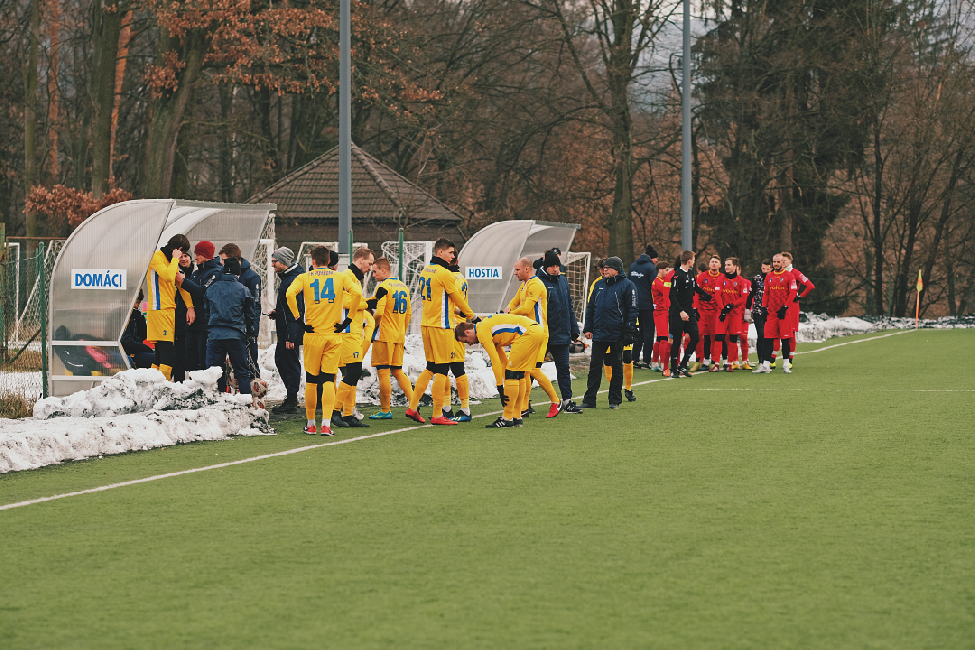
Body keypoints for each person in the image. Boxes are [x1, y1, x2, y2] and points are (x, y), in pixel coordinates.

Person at [286, 245, 358, 436]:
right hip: (334, 335)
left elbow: (289, 294)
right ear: (329, 262)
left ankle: (311, 424)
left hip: (313, 334)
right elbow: (357, 294)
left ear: (312, 261)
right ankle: (326, 424)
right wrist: (348, 320)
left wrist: (298, 319)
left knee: (311, 381)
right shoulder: (340, 276)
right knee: (328, 379)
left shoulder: (304, 277)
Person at [405, 238, 477, 426]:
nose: (453, 256)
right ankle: (438, 414)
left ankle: (413, 407)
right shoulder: (445, 274)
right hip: (442, 326)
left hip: (426, 324)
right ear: (440, 253)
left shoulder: (425, 270)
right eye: (451, 252)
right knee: (443, 370)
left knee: (431, 367)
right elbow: (458, 300)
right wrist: (473, 317)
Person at [454, 315, 545, 428]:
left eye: (466, 341)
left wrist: (500, 388)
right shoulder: (487, 328)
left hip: (527, 333)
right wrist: (503, 384)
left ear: (467, 332)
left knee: (512, 374)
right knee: (519, 373)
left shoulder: (482, 332)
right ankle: (517, 417)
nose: (469, 344)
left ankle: (506, 418)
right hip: (537, 331)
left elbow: (495, 362)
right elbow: (502, 360)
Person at [505, 256, 562, 418]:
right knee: (525, 372)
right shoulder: (525, 285)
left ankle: (556, 401)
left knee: (533, 369)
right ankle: (524, 407)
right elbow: (515, 302)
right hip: (528, 334)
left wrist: (509, 315)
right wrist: (509, 308)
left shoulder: (536, 284)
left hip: (539, 334)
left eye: (517, 270)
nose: (515, 273)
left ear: (527, 269)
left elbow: (526, 308)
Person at [581, 256, 637, 409]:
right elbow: (591, 308)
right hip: (599, 333)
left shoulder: (628, 285)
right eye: (604, 267)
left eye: (608, 267)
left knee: (617, 367)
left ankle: (614, 400)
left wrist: (628, 330)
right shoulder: (598, 284)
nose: (604, 270)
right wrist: (588, 328)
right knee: (594, 366)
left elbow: (632, 309)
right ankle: (589, 400)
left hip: (617, 334)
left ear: (617, 269)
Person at [534, 249, 583, 414]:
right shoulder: (537, 282)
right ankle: (523, 404)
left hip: (561, 334)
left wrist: (574, 330)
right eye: (552, 266)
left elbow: (568, 306)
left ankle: (568, 401)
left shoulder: (563, 281)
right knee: (533, 369)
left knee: (564, 368)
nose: (556, 269)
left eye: (557, 266)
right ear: (546, 266)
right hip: (542, 335)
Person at [367, 257, 415, 420]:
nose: (373, 275)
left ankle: (385, 410)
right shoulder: (403, 286)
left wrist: (372, 327)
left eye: (375, 271)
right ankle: (413, 404)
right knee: (398, 371)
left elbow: (379, 312)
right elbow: (408, 314)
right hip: (398, 336)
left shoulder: (384, 286)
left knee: (383, 372)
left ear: (384, 270)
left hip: (384, 335)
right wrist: (401, 330)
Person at [332, 247, 375, 429]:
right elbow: (346, 302)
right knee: (353, 373)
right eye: (370, 263)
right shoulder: (347, 276)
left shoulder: (354, 277)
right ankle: (335, 412)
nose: (371, 267)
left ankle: (348, 414)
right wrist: (369, 302)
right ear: (360, 260)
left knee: (351, 375)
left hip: (354, 332)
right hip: (347, 333)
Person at [204, 257, 257, 404]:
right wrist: (249, 333)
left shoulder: (211, 289)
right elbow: (249, 315)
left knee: (214, 373)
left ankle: (215, 403)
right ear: (237, 273)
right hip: (235, 335)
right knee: (242, 372)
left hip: (215, 336)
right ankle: (246, 403)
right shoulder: (243, 289)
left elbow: (206, 312)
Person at [146, 234, 195, 380]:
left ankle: (153, 386)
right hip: (159, 309)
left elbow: (181, 285)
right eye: (182, 253)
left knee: (159, 355)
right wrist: (175, 258)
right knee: (169, 355)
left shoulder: (169, 261)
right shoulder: (157, 257)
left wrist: (190, 307)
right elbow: (168, 276)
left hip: (168, 311)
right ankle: (163, 388)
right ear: (178, 250)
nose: (182, 258)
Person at [267, 247, 304, 414]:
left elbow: (296, 311)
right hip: (287, 329)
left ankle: (292, 399)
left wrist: (291, 336)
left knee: (288, 362)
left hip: (290, 331)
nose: (272, 264)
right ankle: (291, 397)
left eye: (275, 261)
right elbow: (288, 308)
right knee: (282, 360)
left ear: (284, 262)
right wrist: (278, 312)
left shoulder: (293, 280)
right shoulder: (289, 277)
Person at [219, 243, 262, 375]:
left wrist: (252, 330)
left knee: (250, 361)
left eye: (224, 261)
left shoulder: (251, 277)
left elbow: (255, 305)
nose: (221, 263)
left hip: (244, 328)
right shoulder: (222, 275)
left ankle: (254, 391)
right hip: (227, 327)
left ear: (235, 260)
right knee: (226, 364)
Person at [669, 250, 713, 377]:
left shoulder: (690, 272)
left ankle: (682, 365)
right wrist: (681, 311)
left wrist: (706, 295)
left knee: (695, 338)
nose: (694, 261)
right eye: (693, 259)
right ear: (689, 261)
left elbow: (694, 287)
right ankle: (673, 370)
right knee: (677, 340)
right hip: (678, 312)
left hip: (689, 310)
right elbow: (672, 296)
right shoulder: (678, 275)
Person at [441, 260, 473, 421]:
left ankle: (462, 409)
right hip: (457, 327)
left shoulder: (448, 278)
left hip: (452, 327)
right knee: (450, 367)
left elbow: (455, 307)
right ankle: (451, 407)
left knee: (452, 368)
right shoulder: (462, 277)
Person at [757, 253, 798, 374]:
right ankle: (765, 366)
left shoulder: (789, 276)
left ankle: (786, 365)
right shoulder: (769, 276)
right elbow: (766, 293)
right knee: (768, 339)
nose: (776, 264)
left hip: (784, 313)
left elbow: (793, 293)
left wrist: (785, 307)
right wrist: (763, 308)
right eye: (774, 262)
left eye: (778, 262)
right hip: (772, 313)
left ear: (783, 263)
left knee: (785, 339)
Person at [186, 240, 222, 373]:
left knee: (204, 360)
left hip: (205, 325)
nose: (195, 258)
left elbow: (202, 292)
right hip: (192, 324)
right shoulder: (196, 273)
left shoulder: (216, 273)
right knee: (190, 361)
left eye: (198, 254)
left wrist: (183, 281)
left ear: (206, 255)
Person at [710, 257, 749, 372]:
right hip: (722, 313)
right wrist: (723, 309)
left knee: (733, 338)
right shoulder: (720, 279)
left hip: (735, 314)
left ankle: (729, 364)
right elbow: (717, 295)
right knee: (718, 337)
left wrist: (731, 305)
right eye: (726, 265)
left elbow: (744, 298)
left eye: (729, 265)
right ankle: (716, 364)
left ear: (735, 266)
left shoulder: (741, 281)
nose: (726, 267)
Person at [782, 251, 815, 367]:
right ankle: (771, 360)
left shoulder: (795, 272)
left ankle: (790, 360)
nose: (782, 262)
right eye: (781, 260)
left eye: (784, 260)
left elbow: (810, 285)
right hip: (779, 306)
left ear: (790, 262)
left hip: (792, 306)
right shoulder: (777, 273)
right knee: (776, 332)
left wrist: (800, 296)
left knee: (791, 333)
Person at [628, 245, 657, 368]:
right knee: (648, 331)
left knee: (637, 331)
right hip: (647, 305)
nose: (657, 262)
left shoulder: (633, 266)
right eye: (656, 259)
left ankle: (634, 358)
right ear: (652, 258)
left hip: (634, 304)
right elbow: (654, 287)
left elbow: (628, 283)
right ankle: (646, 360)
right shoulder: (651, 268)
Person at [693, 255, 723, 371]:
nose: (714, 264)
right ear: (709, 265)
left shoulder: (722, 277)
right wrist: (695, 308)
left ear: (720, 265)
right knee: (698, 335)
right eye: (712, 262)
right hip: (702, 311)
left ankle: (714, 362)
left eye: (716, 262)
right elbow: (696, 293)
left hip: (716, 311)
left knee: (714, 336)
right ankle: (699, 361)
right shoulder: (701, 277)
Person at [747, 260, 771, 372]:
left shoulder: (773, 279)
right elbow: (751, 294)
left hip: (770, 311)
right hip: (758, 310)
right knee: (761, 334)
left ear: (771, 269)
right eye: (763, 269)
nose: (764, 271)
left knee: (768, 337)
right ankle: (761, 362)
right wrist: (747, 309)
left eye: (767, 269)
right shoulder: (756, 279)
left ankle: (768, 362)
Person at [649, 261, 672, 377]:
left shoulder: (663, 281)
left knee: (659, 338)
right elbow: (668, 292)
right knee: (664, 338)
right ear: (660, 270)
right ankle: (664, 364)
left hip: (664, 311)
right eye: (666, 270)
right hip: (660, 312)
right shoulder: (657, 282)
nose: (667, 272)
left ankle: (654, 363)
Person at [121, 290, 154, 369]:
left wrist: (140, 318)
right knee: (158, 360)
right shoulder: (122, 316)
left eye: (139, 303)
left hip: (135, 351)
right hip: (127, 353)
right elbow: (127, 342)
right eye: (136, 302)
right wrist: (147, 348)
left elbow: (143, 335)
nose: (136, 306)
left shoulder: (135, 316)